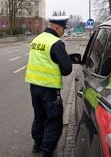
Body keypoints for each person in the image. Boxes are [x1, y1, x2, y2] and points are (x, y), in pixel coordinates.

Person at [25, 16, 73, 157]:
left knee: (39, 116)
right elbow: (67, 69)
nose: (63, 32)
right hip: (49, 89)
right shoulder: (56, 43)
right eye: (63, 29)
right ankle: (47, 151)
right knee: (53, 119)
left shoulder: (37, 39)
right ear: (57, 28)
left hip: (34, 86)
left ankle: (37, 144)